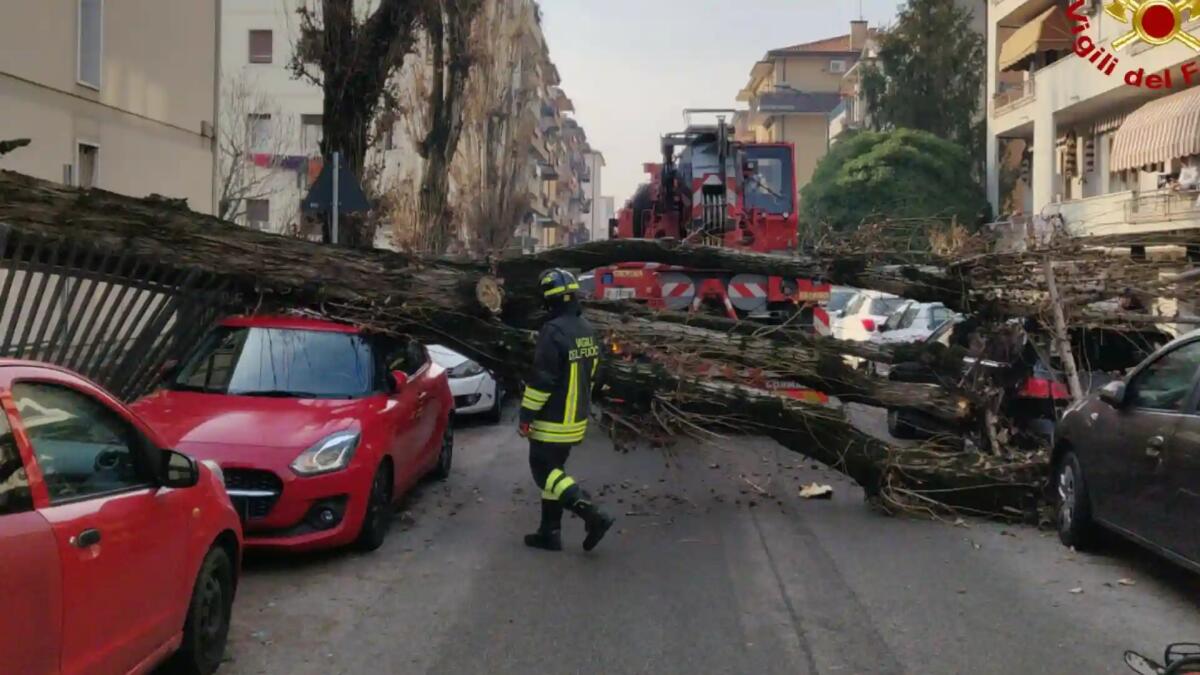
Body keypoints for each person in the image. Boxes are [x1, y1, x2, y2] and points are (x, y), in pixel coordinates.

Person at [519, 268, 614, 552]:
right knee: (555, 472)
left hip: (552, 419)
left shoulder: (553, 331)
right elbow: (597, 370)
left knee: (542, 470)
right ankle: (549, 532)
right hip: (576, 419)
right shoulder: (586, 329)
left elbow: (542, 381)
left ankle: (591, 514)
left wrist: (526, 415)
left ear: (548, 299)